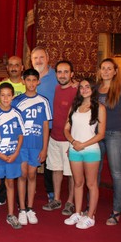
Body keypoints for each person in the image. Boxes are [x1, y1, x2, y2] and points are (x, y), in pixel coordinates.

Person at [97, 58, 121, 226]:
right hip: (97, 136)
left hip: (114, 135)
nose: (105, 71)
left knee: (117, 173)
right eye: (103, 68)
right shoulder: (95, 89)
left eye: (109, 68)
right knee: (94, 172)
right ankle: (90, 206)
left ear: (115, 71)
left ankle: (116, 211)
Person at [64, 78, 106, 229]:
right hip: (75, 149)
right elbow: (66, 129)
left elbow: (101, 134)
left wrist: (83, 144)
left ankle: (90, 216)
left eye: (87, 87)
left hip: (91, 150)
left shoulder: (99, 108)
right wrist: (74, 142)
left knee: (91, 184)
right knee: (78, 183)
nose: (84, 89)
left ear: (93, 89)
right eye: (81, 87)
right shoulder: (74, 107)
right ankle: (77, 212)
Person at [12, 68, 51, 225]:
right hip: (21, 145)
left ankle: (29, 208)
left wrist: (44, 148)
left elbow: (46, 126)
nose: (31, 83)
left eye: (34, 80)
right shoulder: (17, 101)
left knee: (32, 174)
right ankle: (21, 209)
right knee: (22, 174)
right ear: (23, 81)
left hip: (36, 145)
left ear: (38, 82)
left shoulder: (43, 101)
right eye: (28, 80)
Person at [42, 60, 78, 215]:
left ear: (72, 74)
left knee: (71, 173)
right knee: (56, 169)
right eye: (59, 72)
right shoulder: (56, 88)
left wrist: (74, 141)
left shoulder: (77, 91)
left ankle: (70, 202)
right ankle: (56, 199)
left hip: (69, 139)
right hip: (54, 137)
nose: (62, 75)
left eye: (66, 72)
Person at [0, 83, 25, 229]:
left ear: (13, 96)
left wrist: (16, 152)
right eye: (2, 95)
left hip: (13, 156)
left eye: (8, 95)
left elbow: (21, 135)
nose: (5, 98)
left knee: (10, 184)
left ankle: (11, 214)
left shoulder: (17, 113)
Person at [30, 46, 57, 203]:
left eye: (41, 57)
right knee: (31, 157)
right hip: (32, 126)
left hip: (52, 124)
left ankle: (51, 191)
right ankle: (28, 189)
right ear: (31, 61)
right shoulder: (28, 77)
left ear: (47, 58)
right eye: (35, 58)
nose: (38, 61)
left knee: (50, 161)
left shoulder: (56, 76)